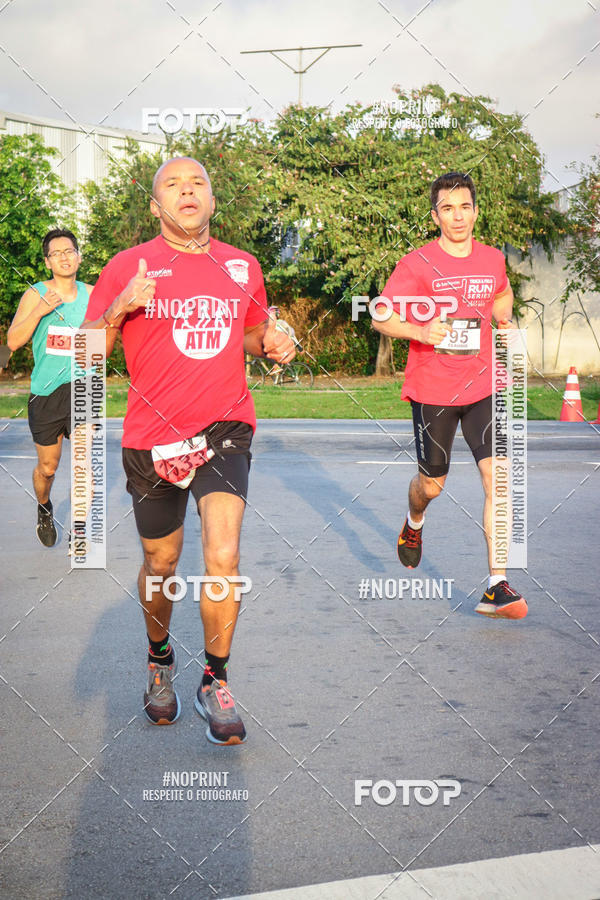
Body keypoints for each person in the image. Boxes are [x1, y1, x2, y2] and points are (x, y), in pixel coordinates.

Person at [82, 156, 295, 744]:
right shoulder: (129, 266)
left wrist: (272, 340)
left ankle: (215, 680)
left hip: (225, 428)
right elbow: (86, 352)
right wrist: (122, 305)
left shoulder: (241, 266)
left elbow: (252, 333)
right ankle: (158, 660)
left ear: (211, 199)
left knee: (222, 557)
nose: (187, 191)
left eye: (197, 182)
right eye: (172, 186)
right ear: (155, 206)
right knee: (162, 564)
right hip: (151, 437)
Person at [373, 172, 527, 620]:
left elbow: (500, 295)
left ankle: (497, 584)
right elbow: (381, 315)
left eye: (465, 206)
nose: (457, 216)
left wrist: (505, 321)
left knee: (498, 480)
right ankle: (414, 521)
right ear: (435, 214)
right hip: (433, 388)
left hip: (483, 385)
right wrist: (420, 330)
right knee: (432, 487)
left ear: (476, 211)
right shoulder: (417, 263)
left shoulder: (493, 258)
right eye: (448, 208)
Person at [7, 229, 93, 548]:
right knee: (48, 467)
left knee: (85, 464)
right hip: (46, 392)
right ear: (48, 262)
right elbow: (13, 341)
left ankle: (80, 530)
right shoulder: (35, 294)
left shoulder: (94, 294)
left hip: (84, 387)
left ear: (79, 256)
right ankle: (44, 507)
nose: (65, 257)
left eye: (69, 251)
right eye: (57, 253)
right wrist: (41, 310)